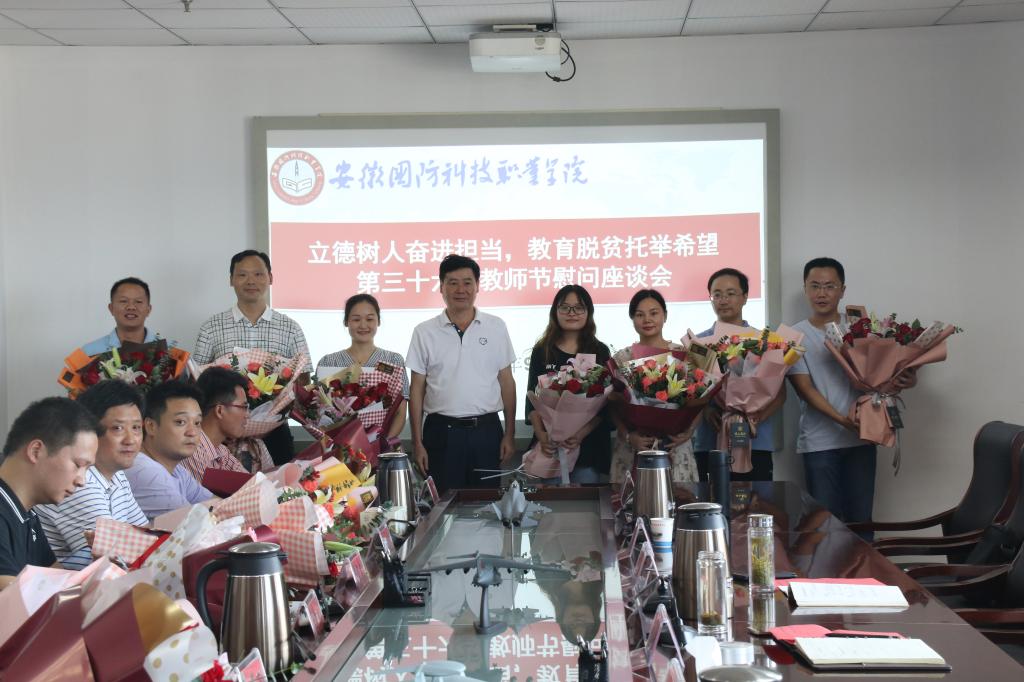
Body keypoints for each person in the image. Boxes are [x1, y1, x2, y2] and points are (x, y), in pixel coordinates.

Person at [787, 257, 915, 529]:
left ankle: (864, 560)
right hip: (819, 443)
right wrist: (842, 420)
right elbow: (804, 389)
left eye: (830, 286)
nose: (822, 293)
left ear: (842, 290)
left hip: (862, 438)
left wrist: (905, 378)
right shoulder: (794, 335)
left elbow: (884, 374)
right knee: (824, 526)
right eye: (815, 286)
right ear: (805, 289)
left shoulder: (863, 329)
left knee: (862, 521)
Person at [406, 254, 517, 493]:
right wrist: (417, 443)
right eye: (453, 283)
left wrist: (510, 434)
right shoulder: (424, 332)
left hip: (487, 431)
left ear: (477, 286)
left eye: (467, 282)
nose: (460, 289)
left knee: (487, 504)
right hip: (441, 433)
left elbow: (507, 382)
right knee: (443, 505)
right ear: (441, 287)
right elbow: (416, 390)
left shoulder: (496, 326)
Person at [192, 250, 311, 465]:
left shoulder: (290, 328)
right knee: (221, 486)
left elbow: (302, 381)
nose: (250, 281)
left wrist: (274, 412)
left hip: (275, 434)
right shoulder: (211, 327)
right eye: (242, 274)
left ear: (270, 278)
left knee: (281, 484)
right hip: (222, 435)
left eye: (258, 274)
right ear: (231, 280)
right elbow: (198, 380)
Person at [36, 381, 150, 570]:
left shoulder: (117, 475)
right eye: (118, 428)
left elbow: (146, 539)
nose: (131, 440)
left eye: (136, 428)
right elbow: (117, 558)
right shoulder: (80, 482)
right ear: (88, 431)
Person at [693, 268, 784, 482]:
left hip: (756, 441)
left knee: (756, 499)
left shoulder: (765, 342)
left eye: (731, 293)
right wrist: (706, 410)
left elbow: (780, 395)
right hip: (711, 440)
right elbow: (690, 393)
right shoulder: (698, 344)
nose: (723, 300)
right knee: (711, 501)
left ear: (745, 297)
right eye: (717, 295)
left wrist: (755, 417)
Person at [0, 398, 99, 588]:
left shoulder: (27, 514)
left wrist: (97, 561)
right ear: (36, 451)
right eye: (78, 465)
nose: (82, 481)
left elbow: (51, 578)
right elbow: (12, 596)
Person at [609, 289, 698, 484]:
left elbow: (700, 398)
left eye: (654, 313)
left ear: (665, 315)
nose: (647, 320)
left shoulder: (684, 355)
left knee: (680, 500)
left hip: (675, 445)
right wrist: (628, 435)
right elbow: (612, 405)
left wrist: (690, 431)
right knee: (628, 502)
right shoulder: (622, 358)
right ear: (632, 319)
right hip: (633, 448)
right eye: (640, 315)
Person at [525, 285, 612, 485]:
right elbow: (532, 398)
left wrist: (580, 434)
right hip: (549, 447)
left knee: (584, 503)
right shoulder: (542, 350)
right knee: (550, 504)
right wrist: (541, 435)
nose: (571, 313)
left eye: (579, 307)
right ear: (555, 312)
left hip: (587, 448)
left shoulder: (600, 350)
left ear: (588, 312)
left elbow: (605, 404)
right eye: (565, 307)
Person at [316, 294, 409, 440]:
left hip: (384, 446)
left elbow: (400, 412)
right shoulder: (329, 362)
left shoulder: (393, 360)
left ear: (378, 321)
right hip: (339, 447)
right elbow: (320, 412)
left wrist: (381, 443)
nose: (363, 325)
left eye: (369, 319)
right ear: (346, 322)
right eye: (356, 319)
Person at [125, 381, 215, 520]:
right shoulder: (145, 470)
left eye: (197, 423)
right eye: (180, 422)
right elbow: (195, 523)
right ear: (151, 426)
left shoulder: (177, 470)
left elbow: (219, 505)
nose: (192, 432)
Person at [180, 367, 274, 483]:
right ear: (220, 411)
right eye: (244, 407)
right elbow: (214, 495)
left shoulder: (221, 451)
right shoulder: (192, 451)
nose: (248, 415)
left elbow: (250, 483)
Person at [81, 277, 158, 356]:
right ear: (111, 308)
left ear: (148, 310)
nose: (131, 307)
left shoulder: (164, 351)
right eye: (123, 301)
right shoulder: (89, 352)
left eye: (138, 301)